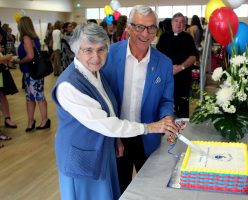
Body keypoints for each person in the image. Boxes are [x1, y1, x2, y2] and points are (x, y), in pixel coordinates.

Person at [51, 23, 177, 200]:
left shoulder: (95, 73)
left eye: (101, 49)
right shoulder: (68, 85)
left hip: (102, 151)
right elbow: (106, 123)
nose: (96, 57)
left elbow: (109, 108)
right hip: (82, 158)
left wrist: (116, 140)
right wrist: (150, 127)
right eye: (88, 50)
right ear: (76, 51)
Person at [103, 5, 174, 193]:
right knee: (119, 188)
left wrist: (167, 117)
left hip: (148, 137)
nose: (146, 33)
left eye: (151, 28)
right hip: (118, 137)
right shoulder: (109, 55)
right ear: (128, 27)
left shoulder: (164, 63)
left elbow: (166, 100)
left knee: (150, 190)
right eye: (139, 27)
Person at [157, 12, 198, 118]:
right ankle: (165, 127)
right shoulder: (164, 36)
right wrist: (168, 68)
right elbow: (157, 55)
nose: (179, 24)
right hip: (167, 75)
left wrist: (181, 67)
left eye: (182, 22)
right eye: (176, 21)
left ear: (184, 25)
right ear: (171, 22)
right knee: (166, 102)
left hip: (183, 76)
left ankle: (183, 130)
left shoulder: (188, 38)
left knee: (183, 105)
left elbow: (193, 56)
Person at [13, 16, 50, 132]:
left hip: (32, 73)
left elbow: (30, 56)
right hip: (32, 72)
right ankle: (31, 121)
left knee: (37, 97)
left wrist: (19, 61)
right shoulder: (34, 38)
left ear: (22, 26)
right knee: (31, 98)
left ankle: (44, 120)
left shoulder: (26, 38)